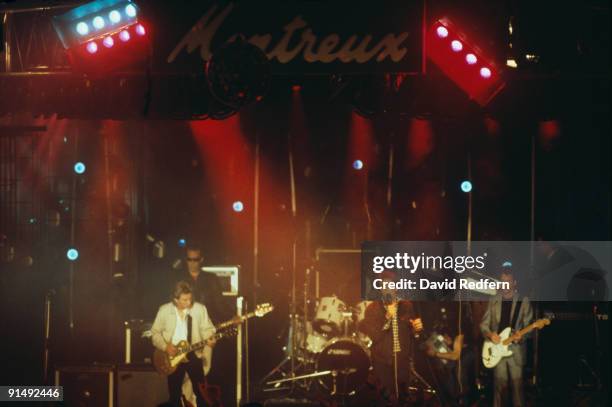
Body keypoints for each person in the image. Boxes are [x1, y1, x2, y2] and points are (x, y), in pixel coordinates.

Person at [360, 275, 424, 405]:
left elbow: (411, 334)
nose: (388, 289)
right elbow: (375, 336)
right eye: (385, 286)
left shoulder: (406, 306)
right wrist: (387, 316)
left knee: (403, 397)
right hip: (382, 360)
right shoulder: (372, 309)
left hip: (402, 360)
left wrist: (417, 330)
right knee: (386, 398)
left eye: (391, 285)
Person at [151, 281, 216, 407]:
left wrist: (211, 339)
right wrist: (165, 347)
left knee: (202, 393)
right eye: (184, 300)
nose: (189, 302)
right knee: (174, 395)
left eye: (190, 299)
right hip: (172, 356)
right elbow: (155, 333)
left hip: (193, 353)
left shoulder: (199, 309)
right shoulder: (164, 310)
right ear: (175, 300)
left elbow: (208, 329)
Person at [480, 265, 533, 407]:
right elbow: (483, 325)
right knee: (499, 390)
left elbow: (530, 328)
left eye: (508, 281)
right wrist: (491, 335)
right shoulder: (493, 300)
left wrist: (521, 336)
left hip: (516, 351)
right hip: (497, 350)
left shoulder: (524, 301)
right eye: (502, 281)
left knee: (517, 391)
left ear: (514, 282)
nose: (504, 285)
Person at [175, 243, 231, 323]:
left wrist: (232, 316)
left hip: (206, 323)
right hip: (185, 324)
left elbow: (220, 303)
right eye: (189, 259)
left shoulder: (211, 279)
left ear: (201, 259)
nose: (192, 263)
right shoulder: (179, 279)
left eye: (195, 260)